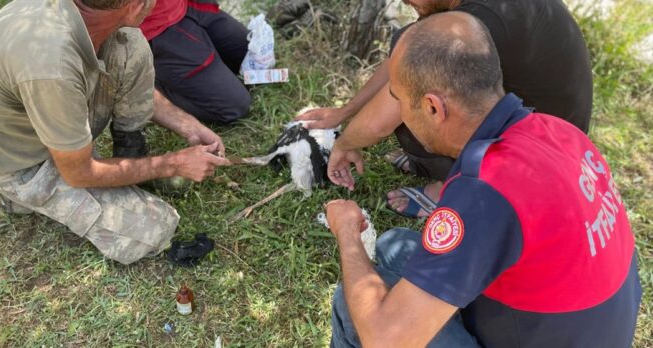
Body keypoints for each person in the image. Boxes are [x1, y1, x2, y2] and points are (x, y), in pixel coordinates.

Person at [324, 11, 641, 348]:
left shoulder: (485, 189)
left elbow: (384, 339)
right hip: (577, 329)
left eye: (401, 101)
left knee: (355, 302)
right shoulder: (558, 131)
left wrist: (346, 232)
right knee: (393, 247)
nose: (400, 113)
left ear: (433, 108)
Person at [0, 0, 231, 265]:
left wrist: (188, 125)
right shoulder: (52, 65)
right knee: (156, 227)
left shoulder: (78, 16)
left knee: (130, 44)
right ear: (136, 6)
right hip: (27, 165)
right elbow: (78, 173)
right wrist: (173, 164)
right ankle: (17, 197)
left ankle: (130, 151)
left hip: (51, 124)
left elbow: (127, 73)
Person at [298, 0, 593, 218]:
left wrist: (346, 142)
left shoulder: (479, 22)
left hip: (541, 163)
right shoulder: (467, 17)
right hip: (552, 132)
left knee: (414, 108)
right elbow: (406, 59)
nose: (404, 2)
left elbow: (380, 122)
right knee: (414, 64)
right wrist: (345, 113)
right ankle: (437, 165)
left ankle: (447, 188)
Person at [141, 0, 251, 124]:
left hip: (183, 5)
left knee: (251, 59)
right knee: (234, 106)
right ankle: (150, 82)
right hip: (154, 28)